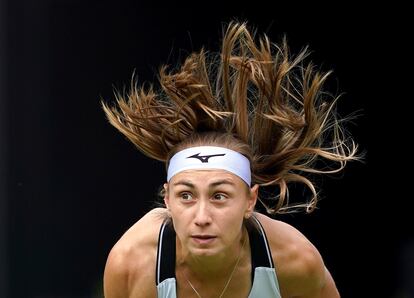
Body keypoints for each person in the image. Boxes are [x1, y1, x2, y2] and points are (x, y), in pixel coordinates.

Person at [102, 21, 359, 297]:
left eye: (219, 196)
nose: (201, 217)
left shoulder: (295, 262)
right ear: (167, 200)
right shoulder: (131, 264)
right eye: (186, 196)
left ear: (250, 200)